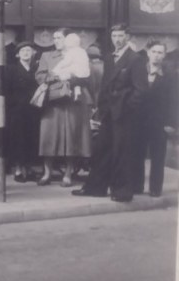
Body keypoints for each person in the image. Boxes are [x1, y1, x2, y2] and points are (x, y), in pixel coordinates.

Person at [73, 24, 145, 203]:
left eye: (121, 36)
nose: (117, 39)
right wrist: (101, 108)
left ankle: (122, 191)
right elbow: (105, 86)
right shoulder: (110, 58)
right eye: (114, 36)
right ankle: (95, 188)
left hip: (125, 114)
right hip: (108, 113)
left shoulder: (135, 59)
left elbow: (140, 90)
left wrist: (126, 108)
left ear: (127, 37)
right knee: (101, 150)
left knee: (122, 152)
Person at [35, 29, 91, 187]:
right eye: (54, 38)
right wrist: (58, 79)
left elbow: (86, 76)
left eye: (59, 37)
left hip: (73, 102)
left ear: (68, 39)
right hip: (53, 102)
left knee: (71, 136)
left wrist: (75, 81)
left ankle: (68, 174)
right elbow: (39, 76)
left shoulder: (78, 54)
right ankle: (47, 173)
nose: (56, 40)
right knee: (48, 137)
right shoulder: (47, 56)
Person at [133, 40, 178, 198]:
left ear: (164, 55)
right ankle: (137, 186)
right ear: (148, 53)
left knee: (158, 156)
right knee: (137, 154)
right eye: (154, 52)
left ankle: (155, 188)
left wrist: (171, 123)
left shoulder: (170, 75)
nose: (157, 55)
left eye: (160, 53)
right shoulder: (139, 71)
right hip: (139, 121)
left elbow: (174, 100)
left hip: (159, 123)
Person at [5, 41, 40, 183]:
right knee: (18, 139)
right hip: (17, 109)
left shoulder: (36, 68)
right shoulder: (11, 69)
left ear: (32, 53)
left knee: (31, 138)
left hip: (33, 108)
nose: (26, 53)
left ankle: (29, 168)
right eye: (23, 50)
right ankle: (18, 169)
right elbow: (7, 90)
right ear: (17, 54)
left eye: (28, 50)